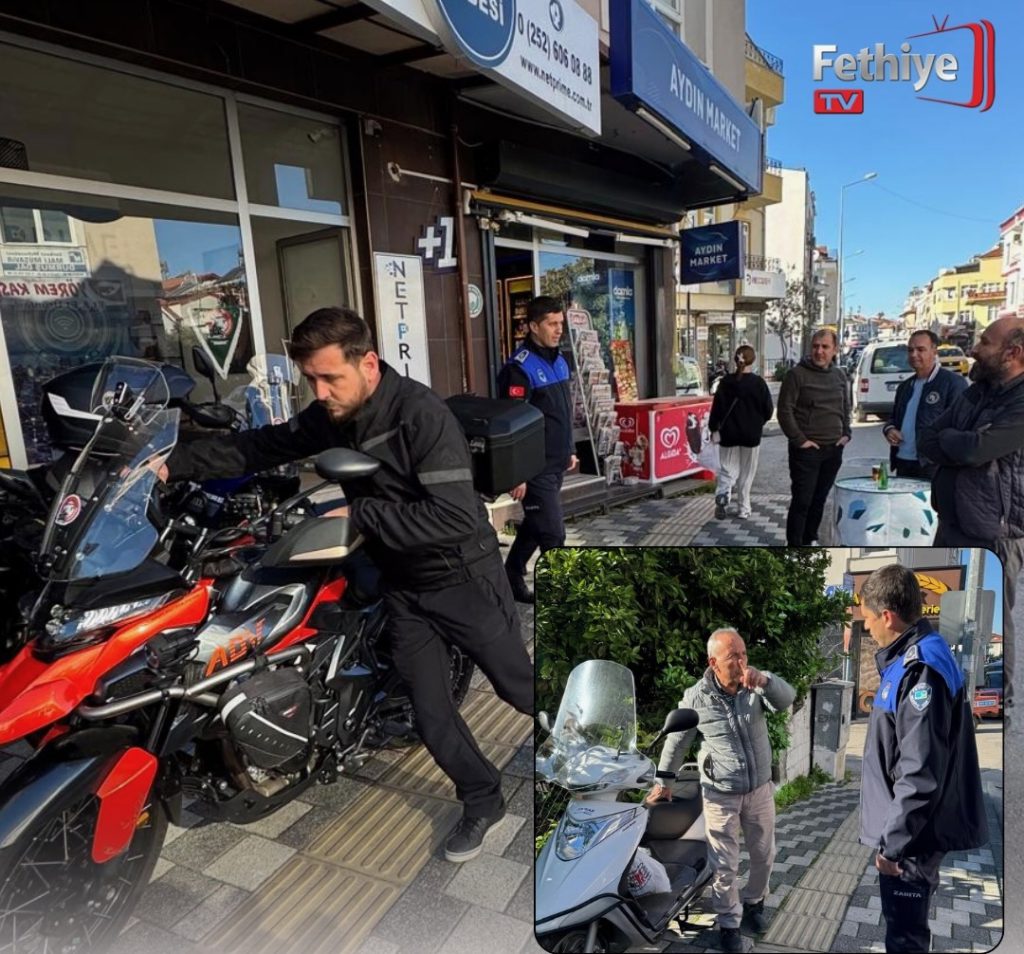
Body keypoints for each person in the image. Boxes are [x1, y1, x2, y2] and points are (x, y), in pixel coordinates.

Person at [162, 306, 534, 863]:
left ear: (368, 363)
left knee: (519, 688)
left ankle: (600, 743)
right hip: (404, 586)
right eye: (311, 378)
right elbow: (259, 446)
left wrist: (361, 521)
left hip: (463, 578)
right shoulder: (332, 414)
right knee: (430, 713)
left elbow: (456, 518)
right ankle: (483, 798)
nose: (321, 390)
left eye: (330, 377)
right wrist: (171, 463)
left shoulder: (421, 416)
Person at [858, 564, 987, 953]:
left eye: (867, 619)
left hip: (909, 842)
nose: (866, 629)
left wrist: (891, 847)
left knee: (905, 938)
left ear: (887, 615)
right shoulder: (914, 659)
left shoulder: (920, 670)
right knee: (907, 935)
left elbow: (920, 772)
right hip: (910, 834)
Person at [648, 628, 795, 954]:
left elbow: (788, 699)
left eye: (743, 653)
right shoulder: (696, 698)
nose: (742, 661)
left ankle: (754, 905)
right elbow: (676, 742)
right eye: (734, 657)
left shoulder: (755, 687)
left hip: (759, 790)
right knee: (725, 865)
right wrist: (663, 783)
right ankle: (729, 924)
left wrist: (766, 681)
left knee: (764, 855)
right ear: (713, 662)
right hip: (720, 795)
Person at [918, 315, 1024, 713]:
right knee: (941, 611)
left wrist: (958, 443)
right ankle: (949, 694)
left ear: (1012, 353)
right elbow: (928, 437)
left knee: (989, 625)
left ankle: (996, 705)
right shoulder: (977, 391)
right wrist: (957, 442)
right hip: (951, 522)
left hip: (993, 533)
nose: (975, 349)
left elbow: (973, 450)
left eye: (985, 341)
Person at [497, 295, 576, 604]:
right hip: (534, 468)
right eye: (552, 324)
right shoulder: (518, 369)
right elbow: (510, 425)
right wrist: (517, 474)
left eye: (561, 323)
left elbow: (562, 413)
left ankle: (511, 573)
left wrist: (569, 449)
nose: (559, 330)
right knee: (553, 534)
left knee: (535, 523)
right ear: (532, 326)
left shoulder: (559, 360)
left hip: (556, 462)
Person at [776, 329, 851, 545]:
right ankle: (795, 546)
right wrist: (800, 440)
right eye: (816, 346)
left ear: (835, 350)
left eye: (825, 347)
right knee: (802, 501)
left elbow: (845, 407)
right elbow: (784, 411)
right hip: (806, 452)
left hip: (833, 449)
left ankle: (810, 539)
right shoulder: (796, 375)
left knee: (820, 500)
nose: (819, 351)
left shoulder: (839, 375)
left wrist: (846, 433)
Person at [882, 329, 967, 478]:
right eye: (910, 350)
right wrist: (889, 430)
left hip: (933, 465)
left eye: (921, 349)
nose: (914, 354)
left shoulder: (953, 383)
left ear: (934, 351)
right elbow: (893, 419)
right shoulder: (905, 386)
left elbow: (960, 426)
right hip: (903, 462)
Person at [710, 345, 774, 519]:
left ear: (735, 359)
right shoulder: (759, 383)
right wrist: (756, 423)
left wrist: (714, 428)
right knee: (747, 473)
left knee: (727, 468)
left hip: (728, 434)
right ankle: (743, 509)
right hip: (751, 435)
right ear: (751, 361)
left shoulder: (725, 382)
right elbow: (768, 410)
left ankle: (723, 492)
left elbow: (717, 409)